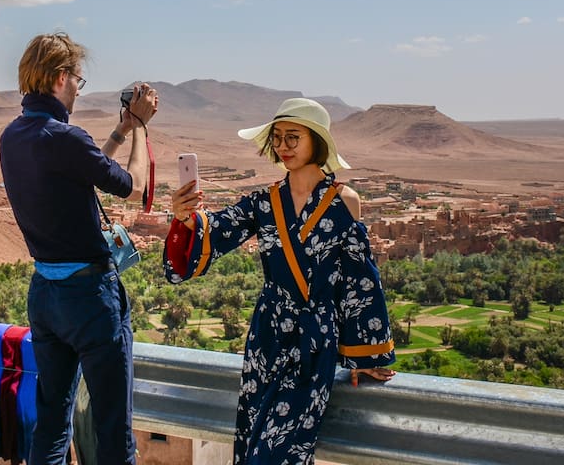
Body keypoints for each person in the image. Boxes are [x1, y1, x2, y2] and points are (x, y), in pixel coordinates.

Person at [166, 97, 396, 465]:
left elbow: (358, 281)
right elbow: (219, 229)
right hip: (267, 337)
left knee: (280, 451)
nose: (283, 146)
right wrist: (186, 218)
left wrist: (365, 355)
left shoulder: (344, 203)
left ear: (317, 142)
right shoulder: (263, 202)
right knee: (255, 437)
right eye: (277, 138)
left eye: (293, 137)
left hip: (315, 341)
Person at [0, 32, 158, 465]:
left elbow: (82, 170)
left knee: (51, 421)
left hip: (46, 296)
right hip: (90, 299)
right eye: (78, 82)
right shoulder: (64, 136)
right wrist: (141, 128)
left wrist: (120, 132)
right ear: (60, 78)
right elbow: (132, 186)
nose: (77, 91)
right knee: (111, 429)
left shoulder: (13, 136)